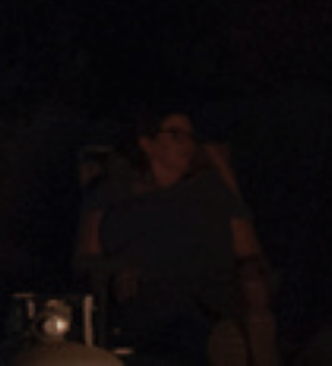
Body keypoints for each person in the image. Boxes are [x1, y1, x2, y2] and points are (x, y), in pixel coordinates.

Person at [74, 109, 276, 366]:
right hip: (152, 292)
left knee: (224, 313)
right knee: (182, 325)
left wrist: (252, 273)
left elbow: (248, 250)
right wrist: (113, 271)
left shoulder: (211, 189)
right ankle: (222, 345)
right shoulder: (111, 192)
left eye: (190, 137)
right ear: (147, 144)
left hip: (213, 287)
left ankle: (240, 342)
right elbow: (84, 258)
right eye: (176, 135)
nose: (188, 144)